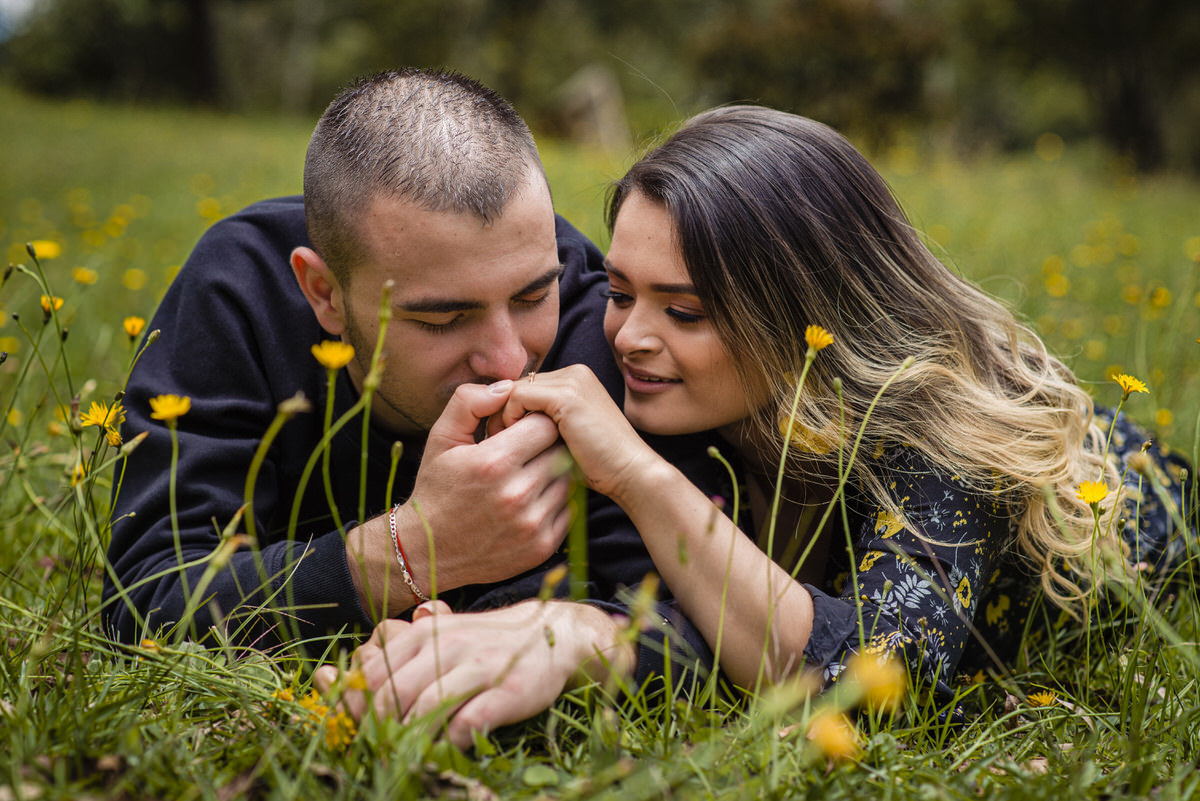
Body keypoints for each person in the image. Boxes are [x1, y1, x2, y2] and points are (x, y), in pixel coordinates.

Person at [485, 105, 1195, 697]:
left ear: (810, 313)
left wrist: (637, 475)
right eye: (620, 293)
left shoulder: (938, 435)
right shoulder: (680, 388)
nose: (630, 336)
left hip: (1149, 511)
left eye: (687, 312)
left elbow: (877, 678)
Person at [103, 68, 709, 746]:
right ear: (324, 292)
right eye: (445, 318)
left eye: (533, 297)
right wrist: (407, 551)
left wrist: (574, 634)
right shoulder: (238, 291)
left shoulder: (596, 314)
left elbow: (701, 613)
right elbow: (144, 598)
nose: (510, 359)